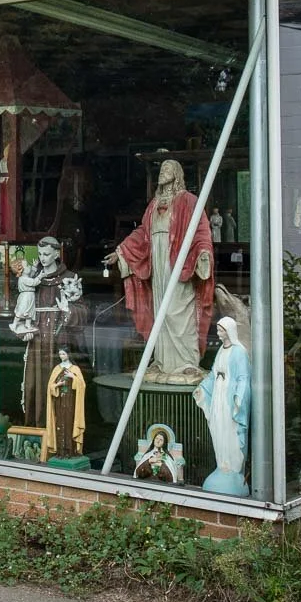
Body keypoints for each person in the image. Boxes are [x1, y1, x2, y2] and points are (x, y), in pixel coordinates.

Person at [105, 159, 214, 385]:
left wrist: (203, 252)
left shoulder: (189, 200)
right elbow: (143, 233)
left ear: (177, 174)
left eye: (168, 169)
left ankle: (186, 361)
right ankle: (163, 361)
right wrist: (121, 251)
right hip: (158, 259)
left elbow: (201, 230)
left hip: (178, 262)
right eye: (161, 169)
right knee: (160, 310)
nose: (163, 172)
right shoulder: (154, 204)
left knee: (178, 310)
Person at [14, 236, 84, 427]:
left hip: (59, 342)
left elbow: (82, 313)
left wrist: (67, 310)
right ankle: (36, 432)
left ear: (56, 254)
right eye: (40, 254)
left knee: (59, 385)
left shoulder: (68, 278)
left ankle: (58, 432)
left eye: (46, 254)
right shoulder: (32, 278)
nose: (42, 258)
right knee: (34, 385)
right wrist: (23, 329)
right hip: (36, 340)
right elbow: (21, 306)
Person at [194, 316, 251, 497]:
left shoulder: (239, 352)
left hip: (230, 399)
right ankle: (222, 464)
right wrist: (203, 388)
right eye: (218, 330)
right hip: (218, 397)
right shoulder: (221, 350)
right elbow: (213, 374)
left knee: (230, 430)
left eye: (221, 330)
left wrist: (239, 397)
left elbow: (243, 377)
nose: (218, 333)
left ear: (229, 331)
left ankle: (233, 468)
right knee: (218, 429)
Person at [43, 347, 85, 461]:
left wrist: (73, 377)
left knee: (69, 423)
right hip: (59, 402)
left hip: (71, 401)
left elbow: (82, 385)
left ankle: (70, 451)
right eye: (60, 354)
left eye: (63, 354)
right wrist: (58, 385)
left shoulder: (75, 369)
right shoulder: (57, 369)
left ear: (68, 355)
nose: (61, 356)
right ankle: (60, 451)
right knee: (59, 423)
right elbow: (50, 387)